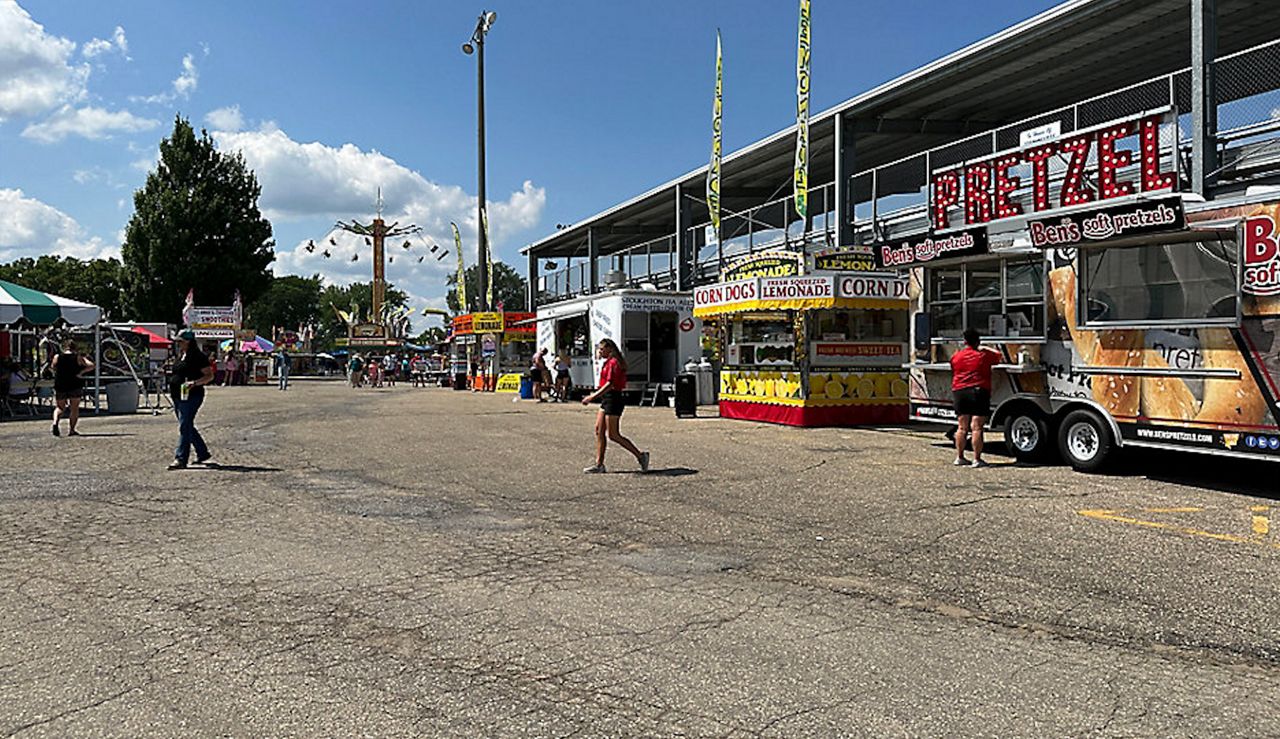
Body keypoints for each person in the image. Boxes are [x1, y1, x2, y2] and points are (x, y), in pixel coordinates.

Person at [581, 338, 649, 474]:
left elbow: (610, 384)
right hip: (607, 399)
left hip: (614, 398)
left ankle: (641, 456)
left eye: (602, 349)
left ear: (610, 349)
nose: (600, 352)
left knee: (613, 435)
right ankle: (599, 464)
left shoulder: (614, 363)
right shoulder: (608, 362)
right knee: (599, 430)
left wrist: (592, 397)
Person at [949, 328, 1002, 468]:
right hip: (978, 391)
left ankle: (959, 457)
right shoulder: (983, 355)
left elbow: (953, 366)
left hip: (959, 391)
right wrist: (984, 347)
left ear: (965, 341)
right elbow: (998, 355)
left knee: (962, 427)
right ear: (978, 341)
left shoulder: (957, 356)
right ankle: (977, 459)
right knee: (977, 427)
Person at [168, 329, 215, 470]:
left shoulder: (198, 357)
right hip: (177, 395)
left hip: (192, 396)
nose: (178, 344)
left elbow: (209, 376)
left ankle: (180, 458)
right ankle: (202, 452)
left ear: (188, 341)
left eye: (180, 341)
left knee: (184, 425)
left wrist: (194, 383)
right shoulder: (181, 355)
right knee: (187, 425)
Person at [50, 338, 93, 437]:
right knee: (74, 408)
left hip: (60, 383)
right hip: (74, 384)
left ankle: (55, 422)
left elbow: (53, 367)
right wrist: (81, 372)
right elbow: (91, 365)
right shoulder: (77, 357)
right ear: (75, 347)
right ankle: (72, 430)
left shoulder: (57, 356)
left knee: (60, 407)